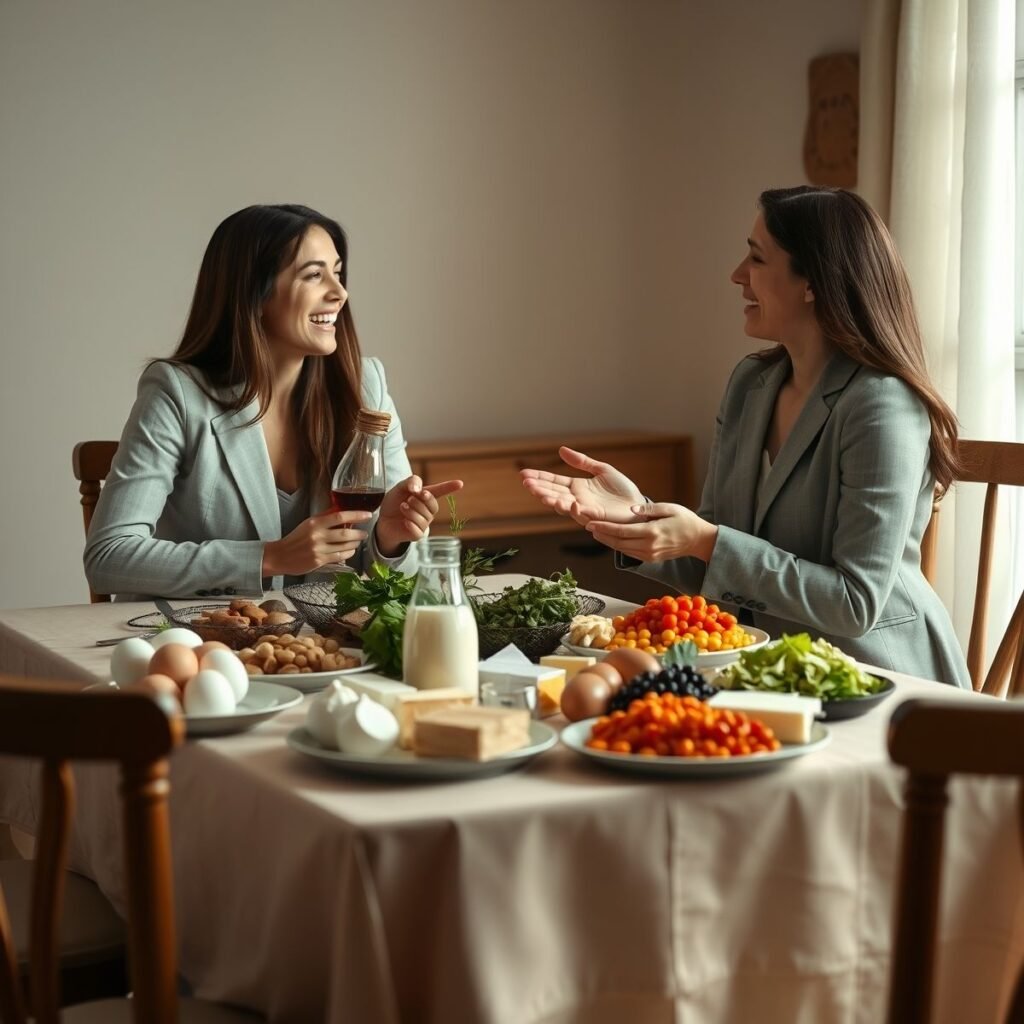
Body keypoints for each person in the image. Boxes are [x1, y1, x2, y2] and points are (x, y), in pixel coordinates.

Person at [521, 186, 970, 688]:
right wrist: (636, 515)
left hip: (879, 681)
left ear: (812, 282)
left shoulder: (882, 405)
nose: (737, 275)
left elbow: (854, 603)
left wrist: (705, 540)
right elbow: (715, 561)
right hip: (765, 672)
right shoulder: (750, 386)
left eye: (757, 258)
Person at [85, 204, 461, 600]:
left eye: (337, 273)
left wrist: (391, 539)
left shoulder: (366, 386)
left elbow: (401, 577)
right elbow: (108, 557)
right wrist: (269, 557)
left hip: (320, 636)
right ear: (254, 292)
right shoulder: (177, 392)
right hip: (199, 633)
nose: (339, 293)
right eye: (314, 275)